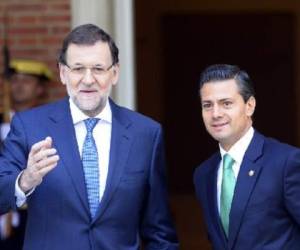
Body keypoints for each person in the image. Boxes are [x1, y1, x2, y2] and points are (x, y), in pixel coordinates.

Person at [0, 24, 178, 250]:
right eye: (78, 68)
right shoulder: (30, 126)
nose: (88, 79)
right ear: (63, 73)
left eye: (98, 68)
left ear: (114, 73)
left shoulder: (145, 134)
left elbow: (160, 232)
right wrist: (25, 180)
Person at [193, 64, 300, 250]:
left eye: (226, 103)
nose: (216, 114)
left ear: (249, 106)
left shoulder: (286, 162)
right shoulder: (203, 174)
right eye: (207, 105)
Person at [0, 59, 52, 250]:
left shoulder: (49, 122)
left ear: (40, 88)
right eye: (14, 80)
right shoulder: (2, 120)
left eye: (26, 81)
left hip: (40, 211)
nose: (19, 86)